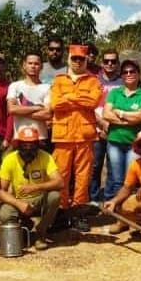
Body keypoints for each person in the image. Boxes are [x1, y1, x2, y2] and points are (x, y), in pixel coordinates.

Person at [48, 44, 102, 221]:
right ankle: (62, 211)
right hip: (63, 136)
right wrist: (79, 99)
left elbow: (93, 102)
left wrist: (69, 97)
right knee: (62, 174)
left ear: (86, 60)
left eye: (81, 59)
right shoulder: (59, 80)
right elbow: (55, 104)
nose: (78, 62)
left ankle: (78, 212)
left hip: (84, 136)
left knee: (83, 176)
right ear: (69, 59)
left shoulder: (93, 80)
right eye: (74, 58)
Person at [0, 126, 63, 251]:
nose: (28, 149)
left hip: (40, 199)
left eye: (32, 145)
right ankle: (21, 231)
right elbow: (0, 191)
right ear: (18, 145)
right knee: (5, 213)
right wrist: (18, 203)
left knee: (55, 196)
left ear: (37, 145)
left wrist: (35, 187)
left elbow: (59, 182)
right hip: (19, 200)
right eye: (24, 145)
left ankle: (41, 232)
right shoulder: (9, 159)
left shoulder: (45, 157)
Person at [101, 59, 141, 200]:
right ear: (121, 75)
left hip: (135, 145)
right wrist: (129, 121)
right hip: (114, 142)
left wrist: (120, 113)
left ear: (138, 74)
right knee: (117, 180)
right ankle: (118, 211)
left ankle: (130, 211)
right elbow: (106, 114)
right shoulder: (115, 93)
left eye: (132, 71)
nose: (128, 74)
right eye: (125, 72)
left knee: (131, 180)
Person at [101, 129, 141, 235]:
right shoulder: (136, 164)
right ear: (138, 149)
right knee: (124, 206)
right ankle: (138, 225)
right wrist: (113, 201)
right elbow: (127, 187)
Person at [90, 49, 124, 203]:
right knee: (95, 166)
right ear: (101, 63)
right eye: (106, 61)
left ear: (118, 63)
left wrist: (109, 125)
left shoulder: (124, 81)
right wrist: (101, 123)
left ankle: (110, 199)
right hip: (95, 129)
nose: (109, 64)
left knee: (113, 167)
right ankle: (93, 199)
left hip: (116, 130)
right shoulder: (93, 81)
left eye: (113, 61)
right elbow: (88, 106)